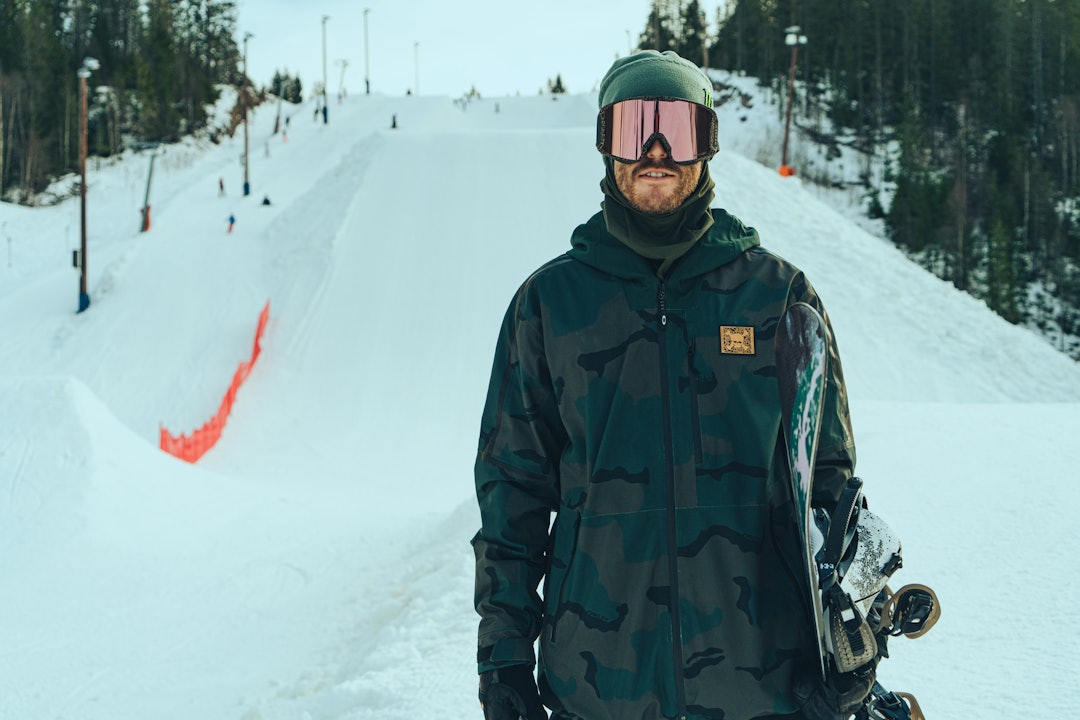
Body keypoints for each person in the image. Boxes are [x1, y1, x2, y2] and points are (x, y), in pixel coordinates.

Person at [472, 50, 863, 720]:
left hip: (764, 688)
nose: (655, 151)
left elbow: (828, 486)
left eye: (675, 130)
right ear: (606, 146)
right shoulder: (550, 305)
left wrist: (847, 640)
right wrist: (504, 655)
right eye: (633, 129)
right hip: (597, 692)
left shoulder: (776, 299)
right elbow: (513, 493)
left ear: (705, 144)